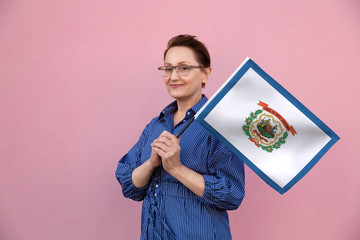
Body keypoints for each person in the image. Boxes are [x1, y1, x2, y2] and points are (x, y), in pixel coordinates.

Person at [115, 34, 245, 240]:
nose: (173, 76)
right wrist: (151, 163)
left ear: (205, 73)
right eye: (168, 69)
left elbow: (231, 195)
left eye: (183, 68)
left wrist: (176, 168)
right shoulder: (156, 125)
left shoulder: (220, 127)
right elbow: (130, 186)